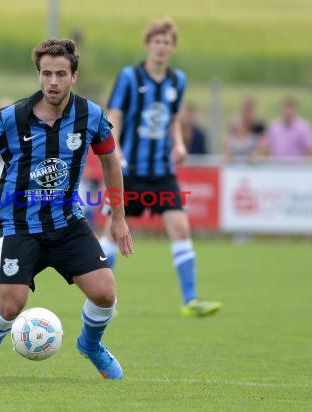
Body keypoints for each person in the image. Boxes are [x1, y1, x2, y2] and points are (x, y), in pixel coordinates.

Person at [0, 39, 133, 379]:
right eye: (46, 73)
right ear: (38, 75)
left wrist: (118, 218)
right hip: (19, 225)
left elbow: (110, 162)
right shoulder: (12, 117)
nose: (53, 81)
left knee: (105, 293)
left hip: (67, 223)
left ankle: (91, 345)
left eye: (60, 74)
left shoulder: (90, 115)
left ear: (73, 76)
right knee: (11, 304)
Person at [98, 17, 222, 317]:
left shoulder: (178, 81)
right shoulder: (129, 77)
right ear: (147, 45)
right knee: (112, 232)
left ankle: (190, 300)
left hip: (162, 172)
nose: (161, 47)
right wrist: (115, 155)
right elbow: (114, 116)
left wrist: (178, 144)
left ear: (173, 48)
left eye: (167, 43)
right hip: (128, 172)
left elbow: (174, 119)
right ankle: (103, 300)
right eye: (157, 42)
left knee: (180, 227)